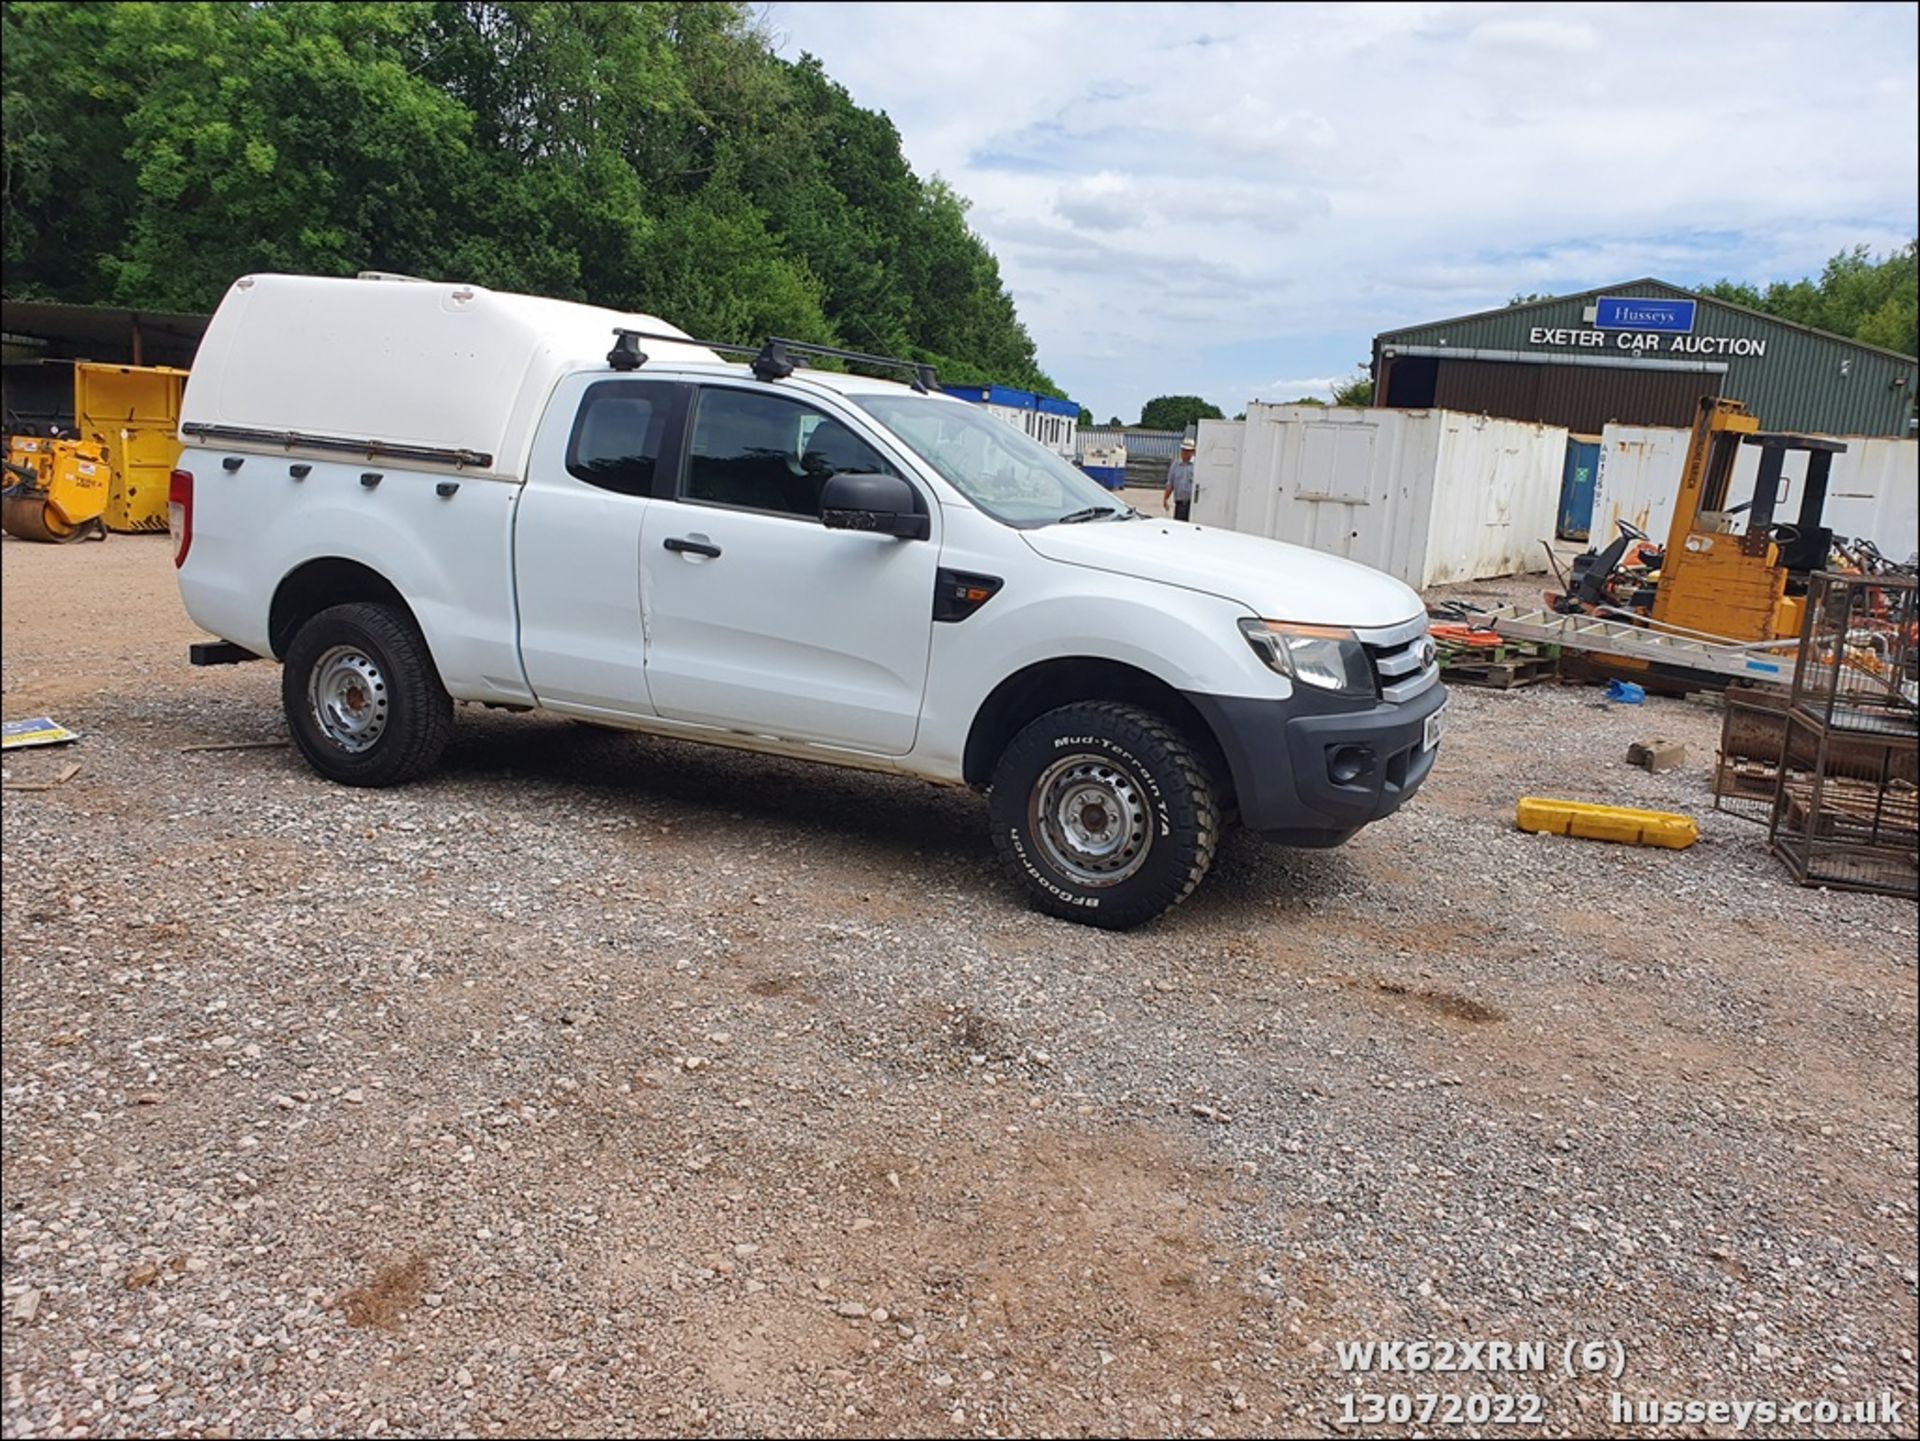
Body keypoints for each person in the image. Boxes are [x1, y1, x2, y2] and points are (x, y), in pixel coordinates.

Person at [1163, 440, 1196, 521]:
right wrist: (1165, 499)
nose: (1185, 453)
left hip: (1192, 505)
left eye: (1188, 451)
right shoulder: (1175, 465)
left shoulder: (1196, 466)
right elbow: (1170, 484)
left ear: (1193, 452)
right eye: (1183, 450)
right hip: (1180, 504)